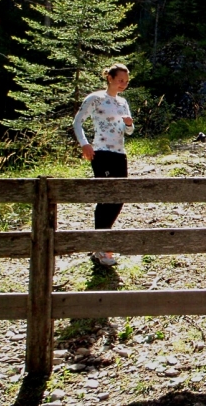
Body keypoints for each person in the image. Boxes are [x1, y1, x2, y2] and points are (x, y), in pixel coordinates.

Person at [73, 63, 134, 266]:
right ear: (110, 78)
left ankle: (100, 242)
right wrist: (85, 144)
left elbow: (129, 131)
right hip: (101, 152)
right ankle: (102, 248)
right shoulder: (96, 98)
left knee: (119, 198)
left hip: (119, 152)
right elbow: (78, 121)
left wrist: (128, 124)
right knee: (106, 196)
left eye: (126, 81)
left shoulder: (123, 102)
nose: (123, 84)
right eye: (120, 80)